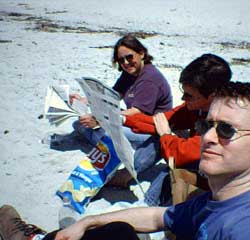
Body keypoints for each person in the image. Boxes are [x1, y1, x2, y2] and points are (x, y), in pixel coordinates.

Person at [0, 82, 250, 240]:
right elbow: (158, 217)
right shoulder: (218, 201)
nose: (208, 137)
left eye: (226, 130)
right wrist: (88, 222)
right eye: (207, 125)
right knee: (117, 231)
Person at [47, 34, 172, 175]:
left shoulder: (149, 79)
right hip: (133, 120)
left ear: (141, 54)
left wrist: (100, 119)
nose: (125, 63)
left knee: (99, 128)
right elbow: (113, 96)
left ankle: (114, 145)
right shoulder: (130, 73)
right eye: (121, 60)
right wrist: (84, 101)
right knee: (81, 123)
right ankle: (109, 142)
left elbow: (137, 112)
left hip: (149, 129)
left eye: (129, 57)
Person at [119, 53, 232, 204]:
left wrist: (166, 134)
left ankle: (149, 203)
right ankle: (129, 173)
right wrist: (122, 119)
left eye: (189, 95)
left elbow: (182, 155)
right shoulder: (198, 106)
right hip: (193, 155)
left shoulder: (223, 120)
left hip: (213, 180)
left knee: (175, 163)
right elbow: (160, 121)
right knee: (160, 139)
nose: (183, 99)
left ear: (212, 95)